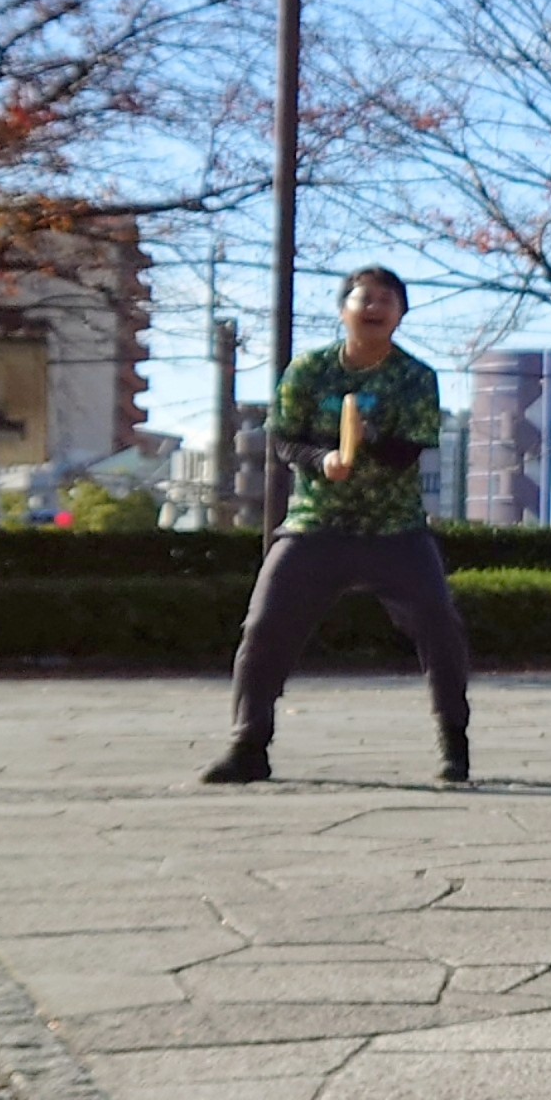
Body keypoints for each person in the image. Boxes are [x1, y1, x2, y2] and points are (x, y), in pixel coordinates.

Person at [202, 266, 473, 787]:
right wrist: (322, 458)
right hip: (315, 525)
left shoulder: (416, 377)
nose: (373, 307)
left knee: (440, 624)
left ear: (400, 313)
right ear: (344, 309)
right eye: (363, 297)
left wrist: (365, 440)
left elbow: (408, 451)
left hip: (395, 529)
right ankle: (248, 745)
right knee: (264, 627)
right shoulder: (308, 370)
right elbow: (283, 441)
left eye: (386, 299)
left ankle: (454, 743)